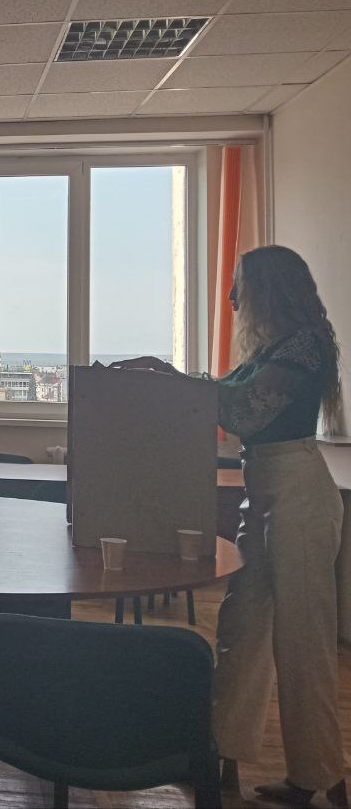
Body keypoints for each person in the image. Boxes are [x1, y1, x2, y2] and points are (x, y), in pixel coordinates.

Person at [115, 245, 345, 807]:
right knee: (241, 630)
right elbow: (226, 395)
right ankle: (221, 758)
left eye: (240, 283)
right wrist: (169, 375)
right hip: (266, 492)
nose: (232, 296)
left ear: (269, 288)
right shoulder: (278, 348)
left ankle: (320, 774)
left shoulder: (303, 346)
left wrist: (170, 379)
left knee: (303, 639)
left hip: (298, 495)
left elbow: (243, 411)